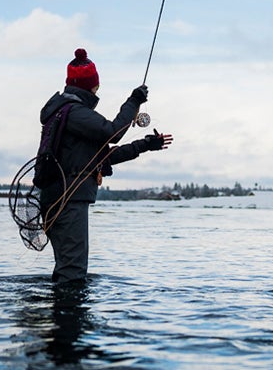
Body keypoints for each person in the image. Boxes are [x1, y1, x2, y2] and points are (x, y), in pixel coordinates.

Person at [38, 48, 173, 285]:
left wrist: (146, 145)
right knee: (73, 274)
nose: (97, 91)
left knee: (68, 270)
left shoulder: (67, 114)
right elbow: (112, 133)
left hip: (60, 198)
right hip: (68, 201)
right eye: (96, 87)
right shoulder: (74, 113)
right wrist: (134, 101)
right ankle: (69, 321)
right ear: (89, 87)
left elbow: (104, 157)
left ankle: (62, 317)